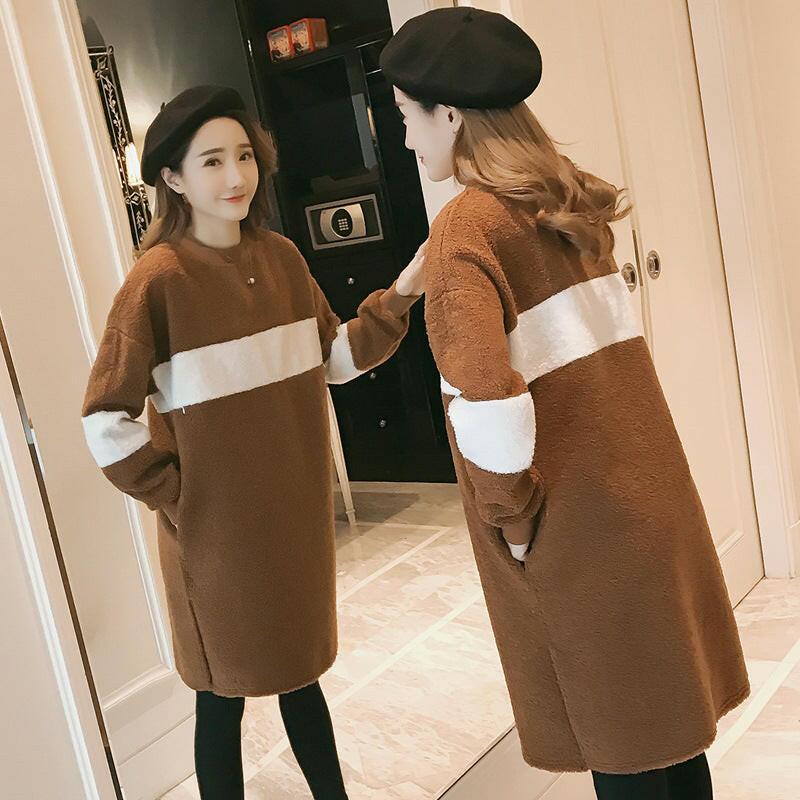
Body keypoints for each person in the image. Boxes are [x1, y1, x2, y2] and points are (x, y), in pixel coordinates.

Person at [380, 9, 749, 800]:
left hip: (577, 532)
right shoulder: (561, 203)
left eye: (408, 115)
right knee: (672, 736)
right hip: (651, 501)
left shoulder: (466, 229)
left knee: (623, 750)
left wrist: (515, 528)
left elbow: (488, 405)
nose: (407, 138)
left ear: (450, 114)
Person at [80, 85, 425, 800]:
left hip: (294, 526)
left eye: (244, 155)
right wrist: (182, 498)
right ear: (173, 178)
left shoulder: (283, 259)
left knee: (301, 675)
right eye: (211, 161)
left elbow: (333, 359)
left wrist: (402, 293)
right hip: (216, 544)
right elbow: (104, 419)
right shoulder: (157, 282)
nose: (236, 175)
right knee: (221, 696)